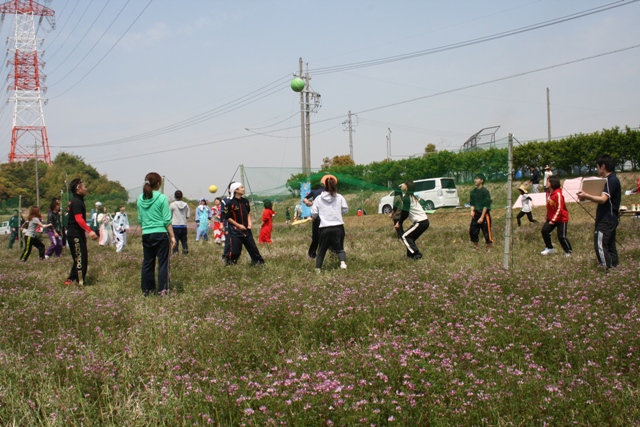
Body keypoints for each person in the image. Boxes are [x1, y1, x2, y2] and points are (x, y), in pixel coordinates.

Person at [577, 154, 621, 270]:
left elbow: (603, 199)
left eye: (597, 166)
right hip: (608, 218)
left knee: (600, 244)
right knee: (610, 245)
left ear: (603, 166)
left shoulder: (612, 180)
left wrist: (587, 195)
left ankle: (607, 269)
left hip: (607, 219)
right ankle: (615, 267)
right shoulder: (610, 180)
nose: (597, 169)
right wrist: (586, 197)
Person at [137, 172, 175, 296]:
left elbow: (140, 220)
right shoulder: (162, 198)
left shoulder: (140, 199)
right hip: (161, 234)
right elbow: (166, 219)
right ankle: (163, 290)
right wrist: (172, 236)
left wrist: (144, 233)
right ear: (158, 184)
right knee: (163, 263)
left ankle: (146, 290)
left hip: (146, 234)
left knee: (147, 263)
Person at [222, 182, 265, 266]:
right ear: (236, 190)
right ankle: (230, 265)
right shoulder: (229, 202)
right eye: (241, 187)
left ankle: (260, 264)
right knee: (235, 252)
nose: (243, 189)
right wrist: (238, 226)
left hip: (246, 230)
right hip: (235, 231)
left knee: (253, 249)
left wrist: (249, 223)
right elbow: (227, 217)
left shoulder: (245, 201)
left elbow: (247, 213)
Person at [65, 179, 98, 286]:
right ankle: (79, 283)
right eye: (84, 187)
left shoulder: (78, 200)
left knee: (80, 258)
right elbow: (79, 219)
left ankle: (71, 279)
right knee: (80, 259)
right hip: (74, 235)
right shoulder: (76, 202)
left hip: (77, 234)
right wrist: (90, 231)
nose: (86, 189)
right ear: (78, 190)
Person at [310, 176, 348, 271]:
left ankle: (318, 269)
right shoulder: (339, 197)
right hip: (338, 227)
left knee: (321, 250)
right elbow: (345, 210)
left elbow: (314, 213)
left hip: (324, 228)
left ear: (324, 185)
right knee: (339, 248)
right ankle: (343, 263)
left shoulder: (319, 198)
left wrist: (314, 218)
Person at [304, 175, 337, 259]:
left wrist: (309, 203)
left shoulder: (315, 192)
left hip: (317, 218)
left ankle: (312, 254)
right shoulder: (334, 193)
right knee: (331, 236)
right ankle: (333, 253)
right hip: (330, 219)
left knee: (316, 237)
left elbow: (305, 199)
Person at [397, 180, 429, 260]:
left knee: (405, 236)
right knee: (410, 238)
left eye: (404, 184)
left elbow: (405, 213)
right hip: (424, 222)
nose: (402, 185)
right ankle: (410, 256)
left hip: (420, 222)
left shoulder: (407, 198)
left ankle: (416, 254)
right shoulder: (411, 197)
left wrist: (399, 222)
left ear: (407, 187)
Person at [540, 175, 572, 256]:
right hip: (551, 217)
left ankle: (568, 251)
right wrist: (548, 216)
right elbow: (549, 206)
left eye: (548, 181)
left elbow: (560, 208)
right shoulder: (548, 193)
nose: (546, 183)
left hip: (561, 218)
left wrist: (553, 220)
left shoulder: (558, 194)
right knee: (544, 231)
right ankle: (550, 248)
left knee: (561, 236)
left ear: (552, 183)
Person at [469, 173, 493, 251]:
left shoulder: (485, 192)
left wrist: (482, 217)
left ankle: (489, 248)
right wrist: (472, 211)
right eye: (475, 178)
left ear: (482, 181)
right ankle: (476, 247)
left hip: (484, 214)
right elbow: (472, 203)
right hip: (476, 214)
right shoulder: (473, 192)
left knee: (486, 231)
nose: (475, 180)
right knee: (473, 230)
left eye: (477, 179)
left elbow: (486, 205)